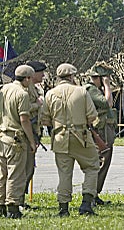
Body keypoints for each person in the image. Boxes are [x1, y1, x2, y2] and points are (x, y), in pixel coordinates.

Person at [41, 63, 99, 217]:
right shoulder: (81, 91)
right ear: (72, 76)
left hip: (60, 137)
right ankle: (86, 203)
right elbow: (92, 116)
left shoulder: (50, 94)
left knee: (64, 174)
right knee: (91, 167)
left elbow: (45, 119)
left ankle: (63, 208)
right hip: (81, 136)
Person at [0, 65, 37, 218]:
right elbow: (24, 119)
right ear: (27, 78)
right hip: (16, 138)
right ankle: (13, 207)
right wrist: (32, 141)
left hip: (2, 136)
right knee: (16, 174)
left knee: (2, 174)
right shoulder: (23, 94)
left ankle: (1, 204)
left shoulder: (4, 89)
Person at [84, 63, 116, 206]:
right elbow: (107, 103)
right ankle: (92, 193)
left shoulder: (95, 89)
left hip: (104, 128)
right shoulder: (91, 89)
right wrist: (107, 85)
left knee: (104, 159)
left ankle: (94, 193)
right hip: (101, 130)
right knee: (101, 160)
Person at [19, 61, 47, 209]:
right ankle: (17, 201)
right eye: (40, 72)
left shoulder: (34, 88)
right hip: (25, 133)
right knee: (25, 169)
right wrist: (38, 104)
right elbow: (24, 109)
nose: (43, 75)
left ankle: (19, 200)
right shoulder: (25, 90)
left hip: (33, 132)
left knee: (29, 170)